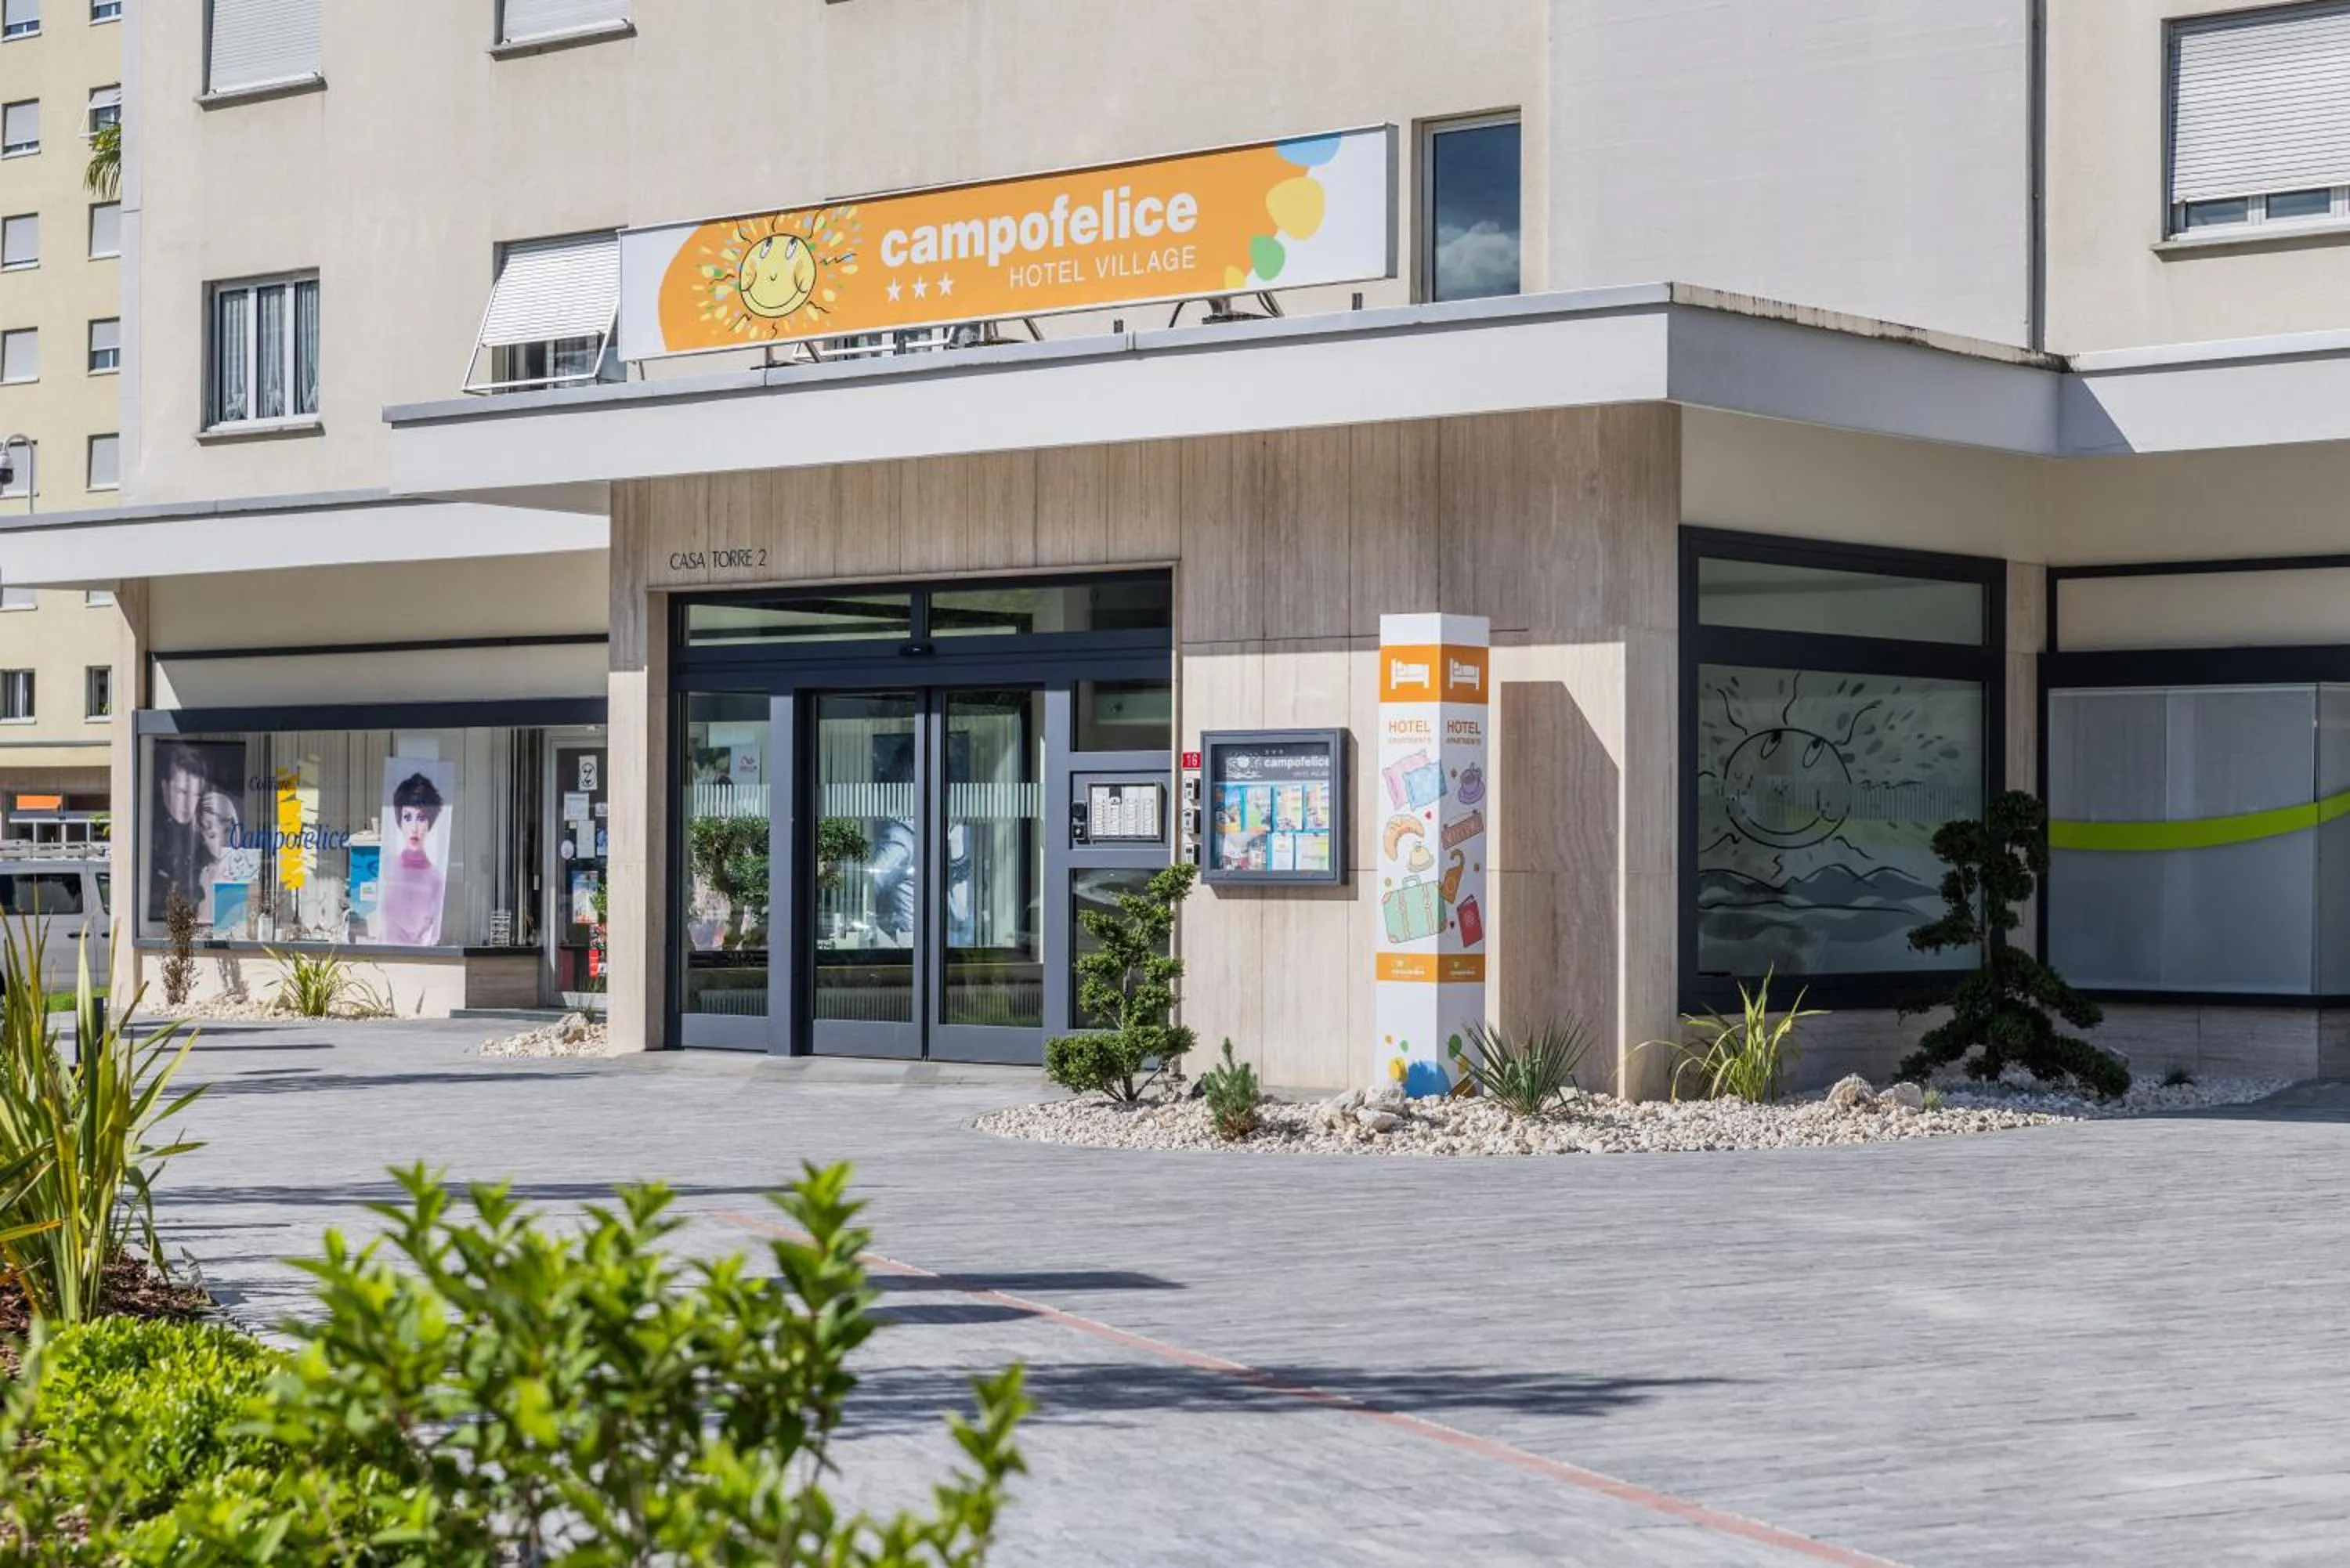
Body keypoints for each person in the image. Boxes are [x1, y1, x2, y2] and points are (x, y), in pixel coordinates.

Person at [378, 771, 448, 945]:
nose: (414, 828)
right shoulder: (386, 869)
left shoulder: (436, 880)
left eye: (421, 818)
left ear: (430, 823)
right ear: (399, 821)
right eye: (408, 818)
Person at [148, 744, 215, 922]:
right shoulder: (150, 835)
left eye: (195, 795)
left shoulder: (203, 837)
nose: (188, 804)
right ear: (165, 787)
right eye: (182, 792)